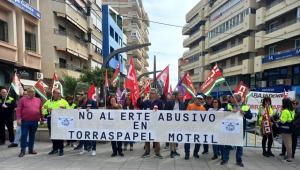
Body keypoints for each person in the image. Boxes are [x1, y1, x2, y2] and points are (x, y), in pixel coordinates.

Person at [221, 94, 252, 167]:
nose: (230, 99)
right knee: (228, 144)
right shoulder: (229, 105)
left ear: (237, 99)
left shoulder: (245, 106)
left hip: (240, 129)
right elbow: (224, 113)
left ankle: (239, 160)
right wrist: (230, 111)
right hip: (230, 129)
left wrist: (244, 113)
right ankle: (225, 159)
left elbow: (250, 116)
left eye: (232, 98)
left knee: (239, 145)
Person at [16, 87, 43, 157]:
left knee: (32, 136)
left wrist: (42, 119)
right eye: (31, 91)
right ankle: (22, 150)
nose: (33, 93)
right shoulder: (22, 100)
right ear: (27, 92)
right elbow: (18, 110)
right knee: (24, 135)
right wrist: (18, 119)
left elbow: (40, 110)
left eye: (33, 92)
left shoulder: (38, 100)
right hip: (25, 121)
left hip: (35, 121)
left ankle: (31, 149)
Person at [42, 89, 69, 156]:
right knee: (52, 135)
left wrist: (64, 109)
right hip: (51, 119)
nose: (59, 94)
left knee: (59, 135)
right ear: (53, 94)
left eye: (59, 93)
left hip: (60, 121)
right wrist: (47, 111)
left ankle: (61, 149)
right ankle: (55, 149)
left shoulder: (64, 102)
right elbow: (43, 109)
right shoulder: (48, 102)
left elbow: (69, 110)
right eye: (57, 93)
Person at [139, 89, 164, 159]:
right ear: (149, 94)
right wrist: (140, 96)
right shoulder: (146, 102)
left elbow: (162, 112)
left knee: (156, 139)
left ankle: (157, 153)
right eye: (151, 93)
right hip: (147, 124)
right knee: (147, 138)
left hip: (156, 124)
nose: (152, 94)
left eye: (154, 93)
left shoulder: (159, 102)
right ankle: (147, 152)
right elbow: (140, 106)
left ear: (156, 94)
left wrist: (158, 111)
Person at [184, 94, 206, 160]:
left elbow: (205, 119)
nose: (199, 100)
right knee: (187, 141)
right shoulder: (190, 106)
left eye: (200, 99)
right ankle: (187, 154)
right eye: (198, 99)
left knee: (198, 141)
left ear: (202, 101)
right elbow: (186, 115)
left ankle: (195, 153)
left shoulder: (203, 108)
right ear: (195, 99)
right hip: (189, 127)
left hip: (199, 127)